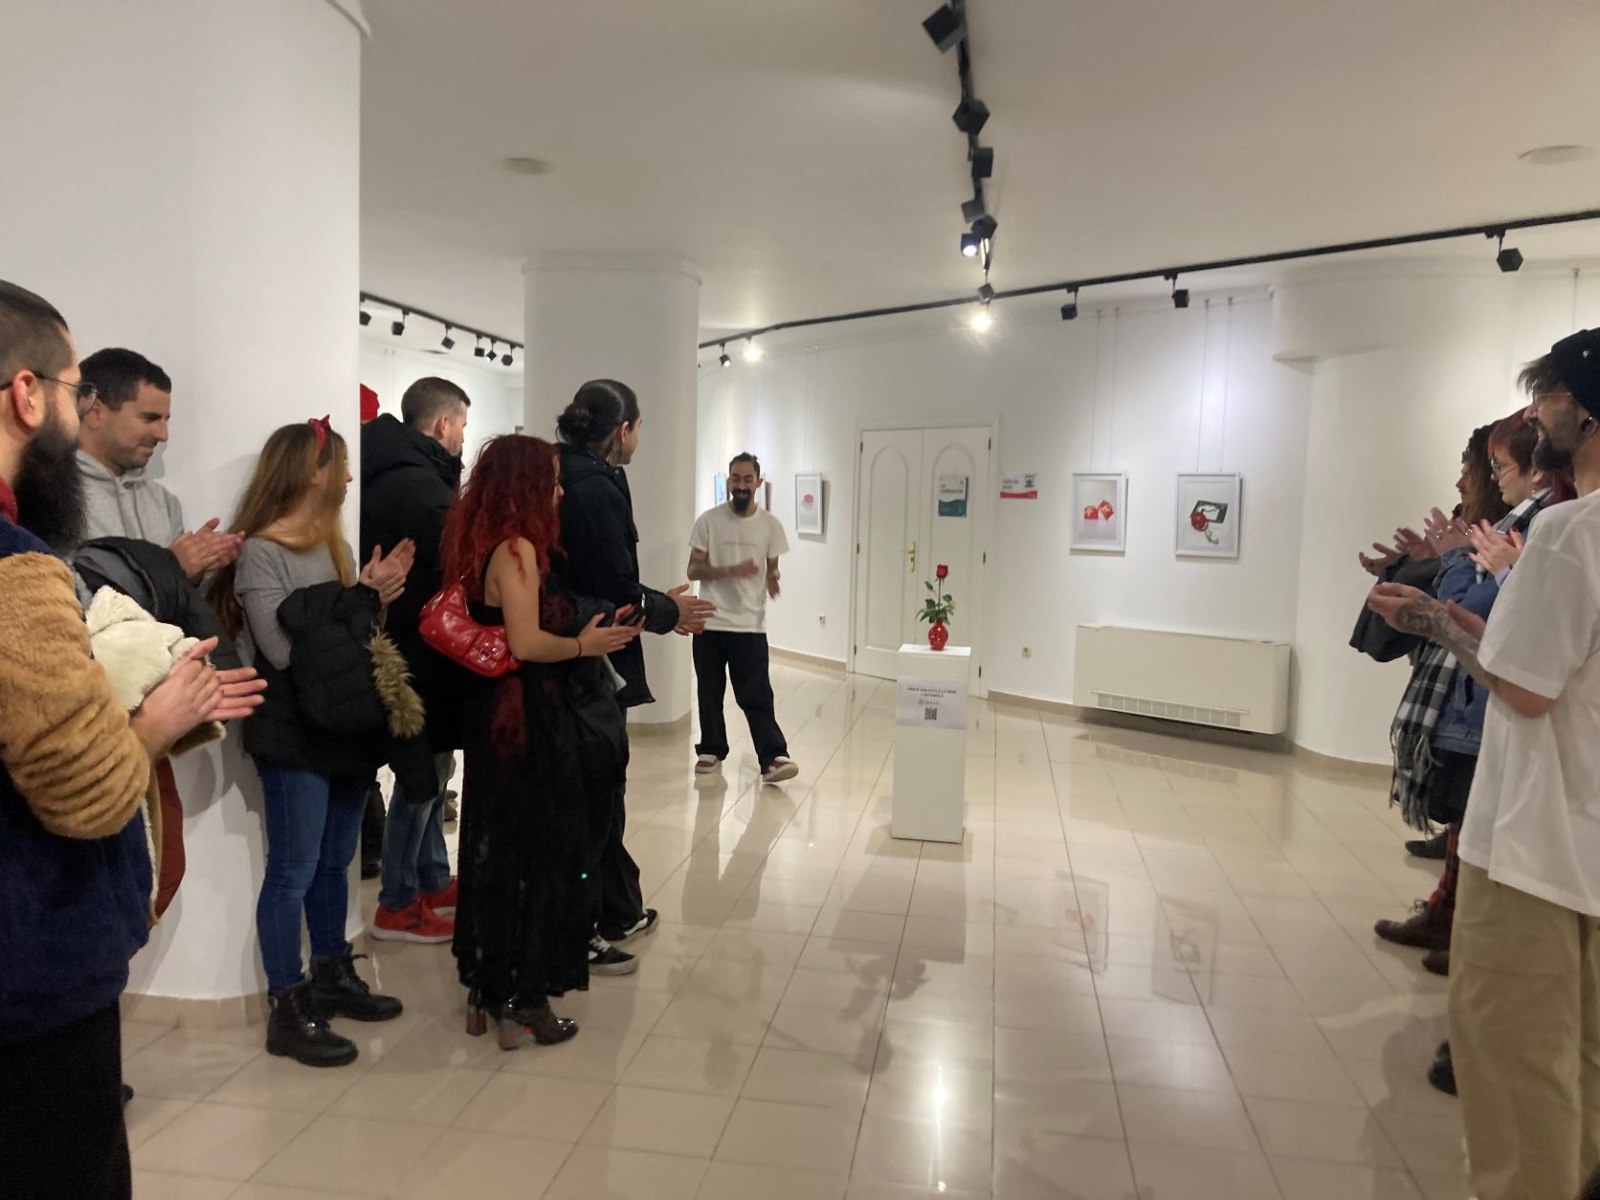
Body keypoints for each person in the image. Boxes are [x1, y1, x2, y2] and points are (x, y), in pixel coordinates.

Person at [0, 280, 257, 1200]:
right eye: (74, 389)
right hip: (29, 979)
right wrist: (160, 720)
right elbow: (83, 791)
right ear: (29, 397)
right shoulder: (18, 567)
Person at [1366, 327, 1600, 1200]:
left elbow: (1528, 690)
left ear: (1586, 410)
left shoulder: (1572, 532)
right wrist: (1457, 619)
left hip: (1538, 839)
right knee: (1582, 1058)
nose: (1538, 416)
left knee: (1513, 1059)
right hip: (1586, 839)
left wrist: (1434, 622)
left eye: (1549, 397)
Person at [211, 420, 414, 1068]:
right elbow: (280, 649)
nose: (351, 478)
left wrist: (371, 599)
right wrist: (355, 597)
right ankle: (288, 1006)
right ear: (311, 472)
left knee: (335, 861)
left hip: (345, 725)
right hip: (291, 727)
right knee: (294, 868)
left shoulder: (336, 546)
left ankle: (331, 973)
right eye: (342, 466)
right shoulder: (260, 551)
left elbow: (355, 638)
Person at [441, 434, 640, 1047]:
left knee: (495, 852)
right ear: (525, 486)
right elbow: (527, 643)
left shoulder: (482, 544)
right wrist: (586, 644)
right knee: (539, 856)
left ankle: (487, 993)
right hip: (525, 719)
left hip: (497, 716)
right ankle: (525, 999)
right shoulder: (518, 550)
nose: (558, 490)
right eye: (550, 480)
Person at [554, 380, 715, 971]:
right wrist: (665, 610)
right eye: (640, 428)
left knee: (601, 795)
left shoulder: (573, 473)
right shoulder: (592, 486)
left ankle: (616, 908)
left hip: (586, 652)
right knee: (596, 798)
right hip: (588, 660)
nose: (640, 439)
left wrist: (653, 603)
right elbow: (610, 587)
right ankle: (587, 924)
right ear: (623, 430)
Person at [362, 377, 471, 944]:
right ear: (443, 424)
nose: (463, 439)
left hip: (413, 643)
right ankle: (398, 901)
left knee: (434, 767)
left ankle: (430, 877)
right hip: (417, 650)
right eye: (462, 427)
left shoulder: (399, 471)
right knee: (421, 775)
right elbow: (461, 555)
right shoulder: (417, 483)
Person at [75, 347, 242, 583]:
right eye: (150, 418)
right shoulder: (49, 497)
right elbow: (64, 595)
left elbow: (176, 598)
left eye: (165, 420)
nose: (163, 435)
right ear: (94, 413)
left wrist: (196, 573)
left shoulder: (164, 503)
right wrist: (171, 568)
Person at [687, 451, 799, 783]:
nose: (741, 485)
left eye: (747, 479)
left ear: (758, 482)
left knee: (756, 694)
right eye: (735, 478)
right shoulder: (709, 521)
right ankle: (711, 748)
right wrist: (730, 570)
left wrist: (773, 577)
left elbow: (773, 564)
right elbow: (693, 569)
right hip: (709, 621)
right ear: (728, 480)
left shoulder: (770, 526)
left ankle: (773, 756)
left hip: (750, 624)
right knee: (709, 690)